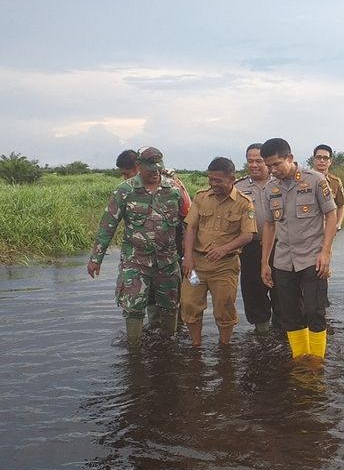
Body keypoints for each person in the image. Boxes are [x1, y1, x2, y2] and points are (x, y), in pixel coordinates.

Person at [87, 147, 185, 344]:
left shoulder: (173, 190)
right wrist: (95, 259)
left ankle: (169, 346)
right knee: (133, 306)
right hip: (135, 260)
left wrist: (188, 256)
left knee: (170, 305)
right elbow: (107, 226)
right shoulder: (125, 191)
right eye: (150, 170)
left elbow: (187, 223)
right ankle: (134, 352)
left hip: (167, 261)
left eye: (158, 169)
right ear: (139, 167)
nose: (155, 173)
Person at [259, 138, 338, 359]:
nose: (273, 170)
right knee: (289, 314)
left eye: (277, 164)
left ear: (290, 158)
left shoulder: (315, 180)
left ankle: (317, 362)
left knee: (314, 311)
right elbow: (269, 225)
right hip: (284, 260)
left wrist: (326, 252)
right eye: (269, 166)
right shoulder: (270, 188)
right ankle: (301, 358)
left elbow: (331, 215)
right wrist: (264, 262)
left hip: (313, 257)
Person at [181, 157, 256, 347]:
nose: (214, 184)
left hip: (225, 266)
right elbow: (190, 228)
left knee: (224, 307)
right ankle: (196, 345)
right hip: (197, 265)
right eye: (211, 179)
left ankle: (224, 346)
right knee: (189, 303)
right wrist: (188, 257)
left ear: (232, 178)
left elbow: (247, 235)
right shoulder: (201, 197)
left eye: (218, 180)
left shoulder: (244, 203)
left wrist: (224, 249)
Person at [114, 148, 192, 331]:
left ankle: (175, 331)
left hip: (171, 249)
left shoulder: (172, 184)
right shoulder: (128, 190)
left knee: (172, 295)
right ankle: (154, 327)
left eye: (127, 173)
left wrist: (188, 253)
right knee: (144, 294)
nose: (125, 178)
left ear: (138, 167)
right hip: (141, 256)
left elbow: (188, 217)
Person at [234, 143, 280, 335]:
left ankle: (281, 331)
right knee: (254, 292)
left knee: (283, 290)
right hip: (250, 248)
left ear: (267, 162)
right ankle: (262, 333)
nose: (254, 165)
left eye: (259, 161)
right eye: (250, 161)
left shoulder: (280, 183)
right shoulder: (238, 187)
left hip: (281, 247)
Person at [311, 144, 344, 231]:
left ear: (330, 161)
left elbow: (341, 206)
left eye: (325, 158)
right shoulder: (303, 180)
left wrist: (338, 225)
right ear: (314, 160)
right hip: (307, 230)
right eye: (318, 157)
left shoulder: (335, 182)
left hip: (327, 229)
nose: (322, 160)